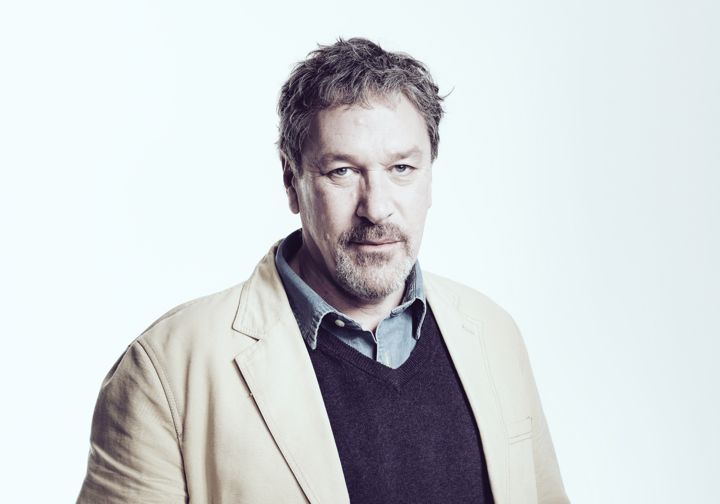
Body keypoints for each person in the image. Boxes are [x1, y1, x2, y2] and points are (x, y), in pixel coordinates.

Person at [77, 37, 571, 504]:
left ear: (429, 176)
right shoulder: (166, 369)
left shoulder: (494, 335)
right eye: (342, 172)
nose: (376, 208)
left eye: (401, 168)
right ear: (291, 181)